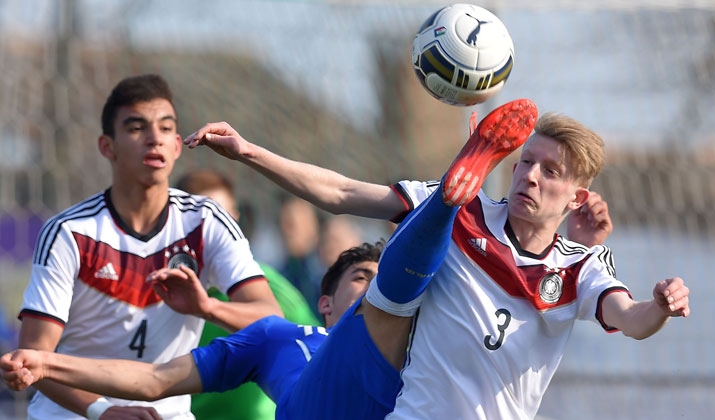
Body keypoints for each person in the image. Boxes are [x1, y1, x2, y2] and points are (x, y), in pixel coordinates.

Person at [2, 99, 546, 420]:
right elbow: (153, 381)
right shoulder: (280, 335)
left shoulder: (425, 358)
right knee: (390, 303)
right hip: (318, 406)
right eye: (360, 274)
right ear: (324, 302)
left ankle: (451, 200)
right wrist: (47, 362)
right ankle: (449, 200)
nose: (369, 280)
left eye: (376, 273)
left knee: (407, 308)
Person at [177, 98, 690, 419]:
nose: (530, 175)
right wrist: (249, 151)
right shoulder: (475, 211)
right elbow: (340, 191)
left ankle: (450, 185)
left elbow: (631, 319)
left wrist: (660, 306)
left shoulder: (582, 265)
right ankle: (447, 190)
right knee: (443, 210)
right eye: (524, 161)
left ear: (576, 198)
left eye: (550, 171)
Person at [16, 74, 282, 420]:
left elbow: (271, 319)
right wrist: (103, 410)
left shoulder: (207, 222)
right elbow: (34, 355)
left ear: (176, 145)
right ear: (107, 147)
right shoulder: (69, 232)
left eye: (166, 127)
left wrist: (207, 308)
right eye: (137, 127)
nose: (154, 138)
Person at [175, 169, 320, 420]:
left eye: (225, 216)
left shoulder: (270, 287)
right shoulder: (156, 284)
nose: (216, 228)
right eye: (203, 217)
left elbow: (319, 355)